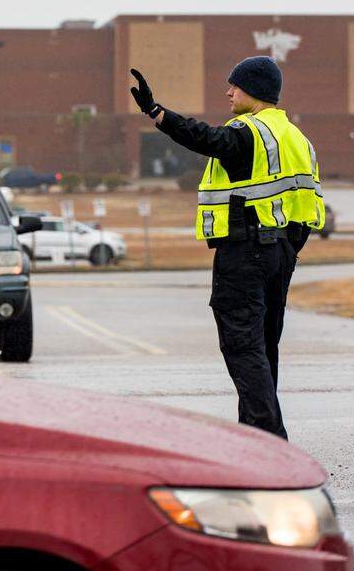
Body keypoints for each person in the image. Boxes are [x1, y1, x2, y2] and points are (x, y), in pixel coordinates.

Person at [129, 57, 324, 440]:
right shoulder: (295, 137)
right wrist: (285, 248)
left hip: (246, 253)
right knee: (263, 351)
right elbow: (306, 201)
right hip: (281, 252)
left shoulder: (249, 132)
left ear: (254, 90)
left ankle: (271, 441)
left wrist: (157, 113)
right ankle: (255, 441)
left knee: (242, 346)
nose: (228, 92)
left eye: (234, 85)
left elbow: (206, 138)